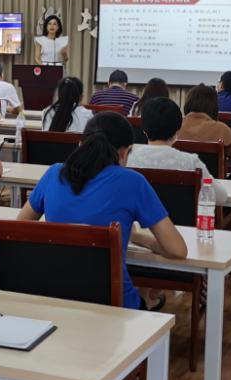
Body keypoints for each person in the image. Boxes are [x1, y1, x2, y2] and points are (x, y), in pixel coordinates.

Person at [18, 112, 188, 310]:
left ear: (81, 145)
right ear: (125, 152)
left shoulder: (54, 173)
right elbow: (177, 249)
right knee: (149, 298)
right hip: (115, 305)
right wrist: (138, 238)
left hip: (56, 298)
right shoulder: (133, 182)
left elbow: (19, 229)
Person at [126, 97, 215, 180]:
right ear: (177, 130)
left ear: (144, 129)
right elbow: (216, 190)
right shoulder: (191, 163)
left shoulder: (127, 160)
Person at [179, 84, 231, 168]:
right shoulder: (222, 130)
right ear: (214, 106)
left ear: (187, 103)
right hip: (211, 176)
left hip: (177, 176)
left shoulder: (174, 127)